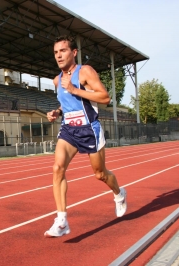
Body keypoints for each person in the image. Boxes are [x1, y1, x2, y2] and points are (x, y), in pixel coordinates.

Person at [44, 35, 127, 238]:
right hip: (69, 130)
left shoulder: (85, 72)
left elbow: (105, 98)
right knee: (57, 169)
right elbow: (68, 103)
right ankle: (62, 220)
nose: (59, 55)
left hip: (89, 129)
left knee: (100, 174)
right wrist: (57, 112)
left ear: (73, 53)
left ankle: (119, 193)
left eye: (63, 50)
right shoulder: (56, 80)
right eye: (56, 52)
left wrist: (74, 89)